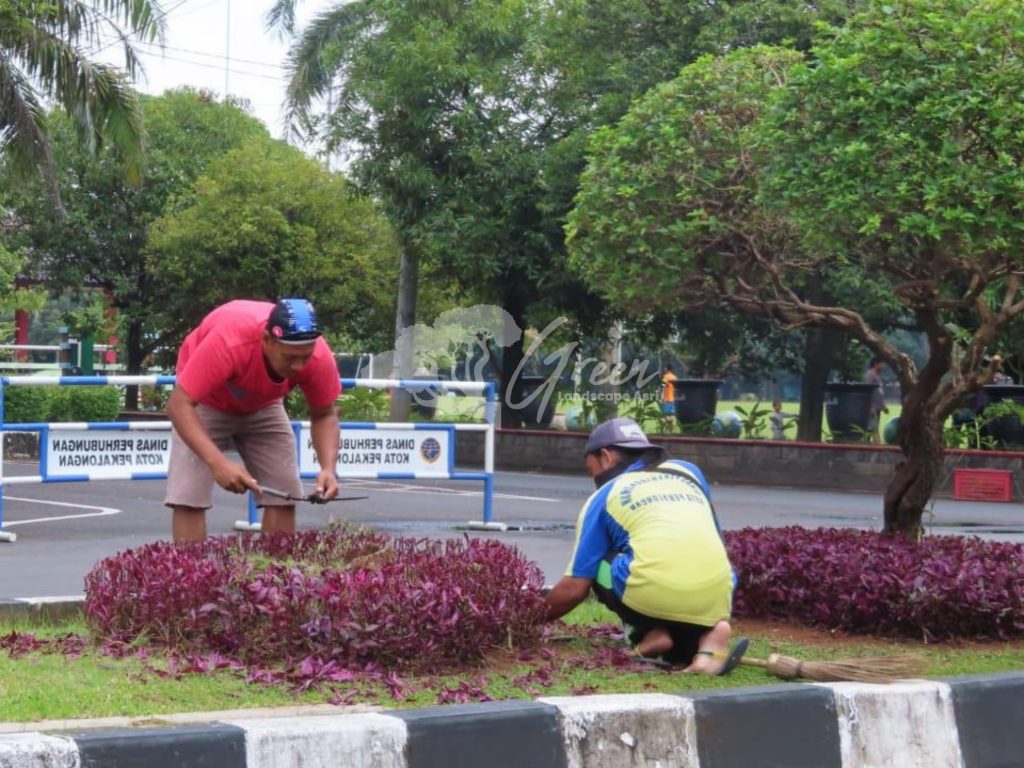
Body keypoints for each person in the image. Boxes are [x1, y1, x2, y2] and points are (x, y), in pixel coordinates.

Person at [543, 417, 748, 673]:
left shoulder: (606, 494)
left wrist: (527, 619)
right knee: (689, 571)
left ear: (606, 457)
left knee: (599, 565)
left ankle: (648, 632)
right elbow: (713, 535)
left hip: (652, 592)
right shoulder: (688, 472)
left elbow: (575, 588)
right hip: (718, 592)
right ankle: (709, 637)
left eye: (591, 469)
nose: (593, 477)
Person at [165, 298, 341, 543]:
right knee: (188, 495)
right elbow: (178, 406)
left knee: (285, 492)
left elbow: (324, 414)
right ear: (266, 340)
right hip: (205, 401)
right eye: (290, 357)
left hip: (264, 403)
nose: (299, 366)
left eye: (305, 357)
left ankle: (276, 575)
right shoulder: (229, 342)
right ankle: (189, 578)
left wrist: (328, 469)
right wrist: (218, 463)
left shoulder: (318, 356)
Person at [864, 358, 889, 445]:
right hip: (872, 407)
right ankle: (878, 447)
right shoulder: (870, 375)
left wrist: (883, 406)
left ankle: (867, 445)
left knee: (872, 428)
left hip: (877, 407)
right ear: (876, 364)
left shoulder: (877, 375)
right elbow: (868, 391)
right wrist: (870, 406)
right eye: (882, 364)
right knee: (873, 428)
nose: (883, 366)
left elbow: (879, 393)